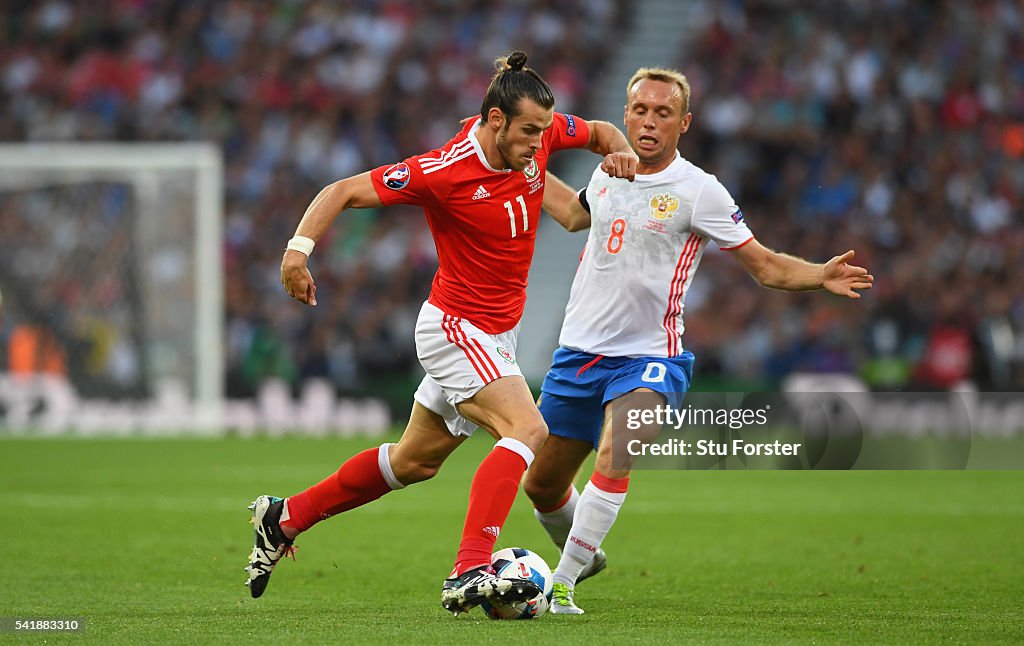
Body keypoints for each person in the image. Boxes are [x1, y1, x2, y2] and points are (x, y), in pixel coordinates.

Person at [245, 51, 639, 616]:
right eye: (529, 131)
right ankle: (469, 568)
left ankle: (284, 518)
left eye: (544, 131)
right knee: (527, 428)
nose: (539, 142)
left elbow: (600, 133)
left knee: (413, 463)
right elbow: (342, 190)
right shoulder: (443, 170)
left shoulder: (537, 135)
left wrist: (621, 154)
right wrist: (297, 252)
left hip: (498, 334)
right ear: (497, 121)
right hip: (455, 327)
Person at [525, 67, 874, 614]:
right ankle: (584, 552)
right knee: (541, 487)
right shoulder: (607, 173)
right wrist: (521, 162)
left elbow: (764, 266)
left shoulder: (699, 190)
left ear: (682, 123)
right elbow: (572, 216)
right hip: (578, 354)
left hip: (650, 357)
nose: (649, 120)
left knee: (619, 450)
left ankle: (562, 585)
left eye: (663, 112)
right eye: (640, 109)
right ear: (626, 114)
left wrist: (817, 275)